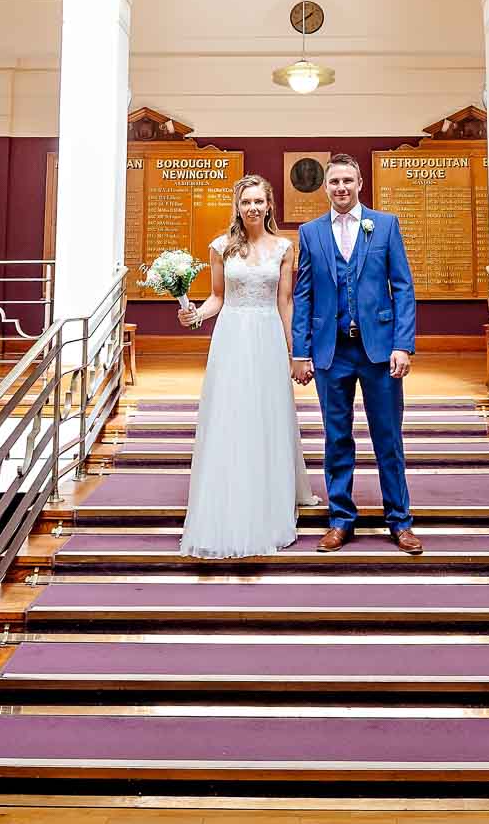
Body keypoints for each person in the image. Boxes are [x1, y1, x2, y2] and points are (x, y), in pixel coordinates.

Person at [175, 176, 319, 558]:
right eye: (246, 202)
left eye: (259, 201)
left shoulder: (284, 248)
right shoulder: (221, 247)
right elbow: (218, 297)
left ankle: (270, 495)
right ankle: (228, 492)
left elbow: (285, 303)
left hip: (268, 336)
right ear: (237, 207)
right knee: (231, 415)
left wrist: (296, 352)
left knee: (266, 415)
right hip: (232, 336)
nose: (252, 208)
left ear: (269, 205)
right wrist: (196, 315)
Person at [290, 154, 421, 555]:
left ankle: (400, 522)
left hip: (380, 351)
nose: (341, 188)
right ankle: (340, 520)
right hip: (333, 353)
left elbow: (403, 287)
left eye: (348, 180)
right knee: (336, 438)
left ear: (360, 182)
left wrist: (403, 344)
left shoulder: (385, 225)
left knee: (388, 438)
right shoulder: (311, 233)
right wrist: (300, 351)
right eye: (334, 182)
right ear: (325, 187)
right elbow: (304, 294)